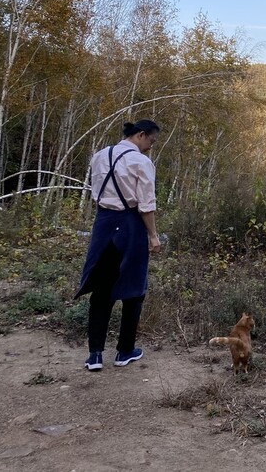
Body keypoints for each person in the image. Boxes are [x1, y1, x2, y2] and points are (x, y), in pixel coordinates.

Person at [75, 119, 162, 371]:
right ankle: (124, 351)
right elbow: (146, 204)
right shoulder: (141, 162)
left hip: (103, 223)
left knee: (102, 288)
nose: (150, 147)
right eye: (151, 142)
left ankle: (95, 356)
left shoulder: (100, 155)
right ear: (141, 135)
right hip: (130, 225)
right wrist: (153, 236)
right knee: (134, 290)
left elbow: (96, 191)